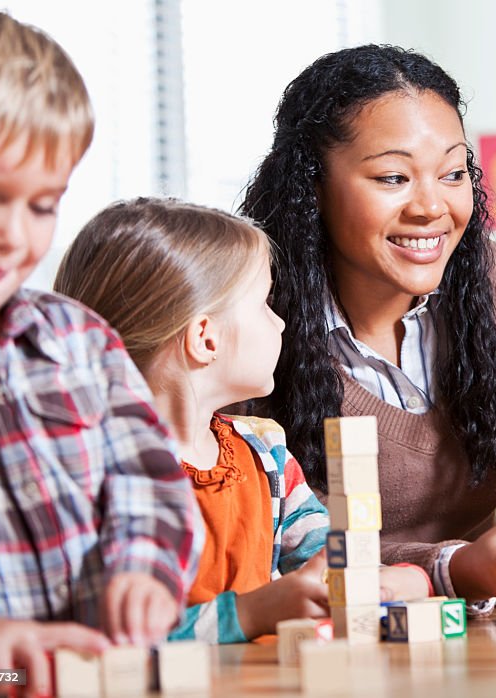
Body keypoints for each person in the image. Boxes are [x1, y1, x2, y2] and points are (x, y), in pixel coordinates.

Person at [240, 45, 496, 615]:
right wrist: (461, 570)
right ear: (310, 184)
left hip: (483, 646)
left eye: (454, 172)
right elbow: (272, 555)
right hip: (329, 654)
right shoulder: (251, 327)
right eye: (393, 177)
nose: (432, 206)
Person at [0, 7, 199, 692]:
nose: (12, 237)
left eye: (42, 204)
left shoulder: (80, 341)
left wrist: (144, 567)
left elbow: (148, 479)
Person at [55, 198, 433, 642]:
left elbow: (328, 564)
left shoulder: (265, 453)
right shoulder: (92, 473)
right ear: (205, 338)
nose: (280, 323)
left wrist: (393, 580)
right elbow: (104, 641)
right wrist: (250, 614)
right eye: (263, 305)